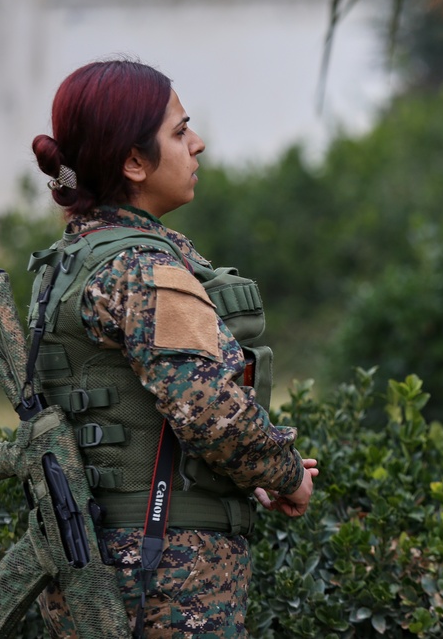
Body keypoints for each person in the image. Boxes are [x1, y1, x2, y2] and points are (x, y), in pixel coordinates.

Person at [28, 58, 318, 637]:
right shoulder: (142, 268)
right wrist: (287, 474)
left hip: (93, 569)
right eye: (180, 132)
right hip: (164, 579)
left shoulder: (66, 264)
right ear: (134, 162)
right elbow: (212, 413)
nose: (198, 144)